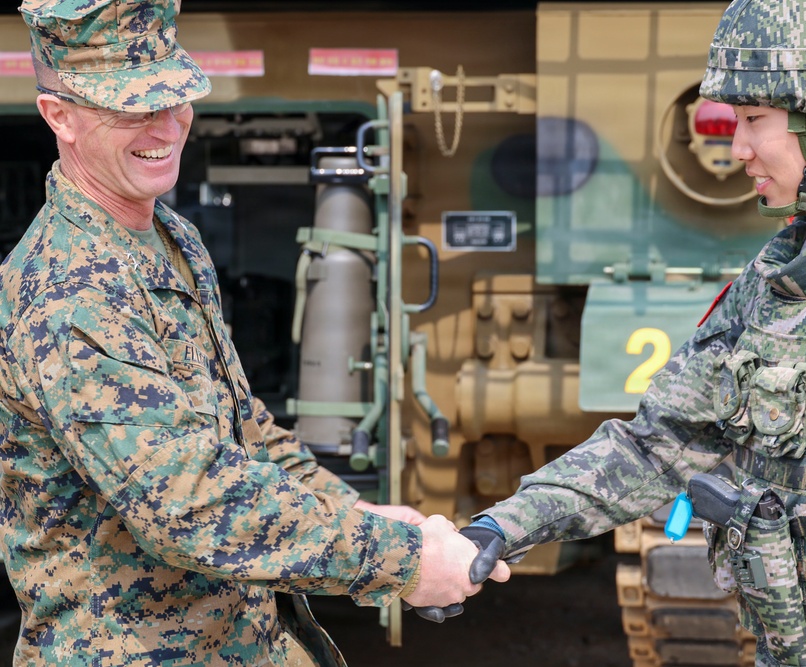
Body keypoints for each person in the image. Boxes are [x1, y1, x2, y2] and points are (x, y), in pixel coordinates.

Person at [438, 0, 806, 664]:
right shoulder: (776, 281)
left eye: (755, 120)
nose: (736, 149)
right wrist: (499, 526)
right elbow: (657, 447)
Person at [0, 1, 508, 665]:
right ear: (58, 115)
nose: (166, 125)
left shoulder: (164, 235)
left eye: (176, 97)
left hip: (240, 639)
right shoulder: (71, 294)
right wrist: (401, 560)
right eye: (132, 106)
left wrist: (363, 515)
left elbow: (244, 429)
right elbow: (190, 503)